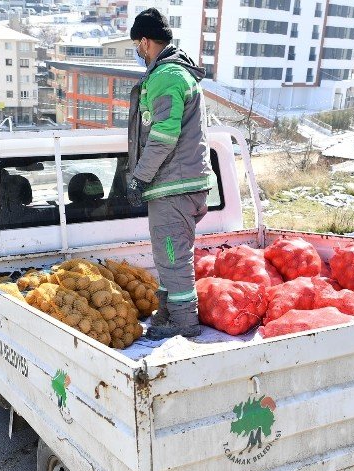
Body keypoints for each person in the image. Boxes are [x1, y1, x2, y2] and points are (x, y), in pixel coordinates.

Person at [127, 8, 214, 340]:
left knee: (173, 256)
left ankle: (183, 322)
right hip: (185, 184)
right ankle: (166, 313)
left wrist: (141, 176)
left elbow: (163, 135)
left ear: (146, 42)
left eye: (138, 44)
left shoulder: (166, 76)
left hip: (174, 186)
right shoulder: (178, 73)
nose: (138, 51)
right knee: (169, 255)